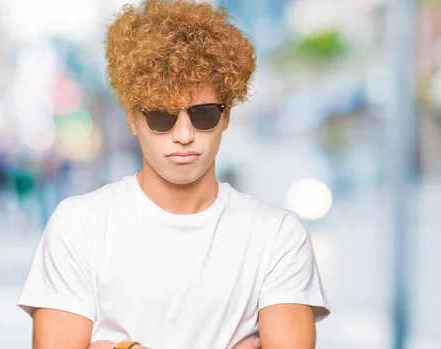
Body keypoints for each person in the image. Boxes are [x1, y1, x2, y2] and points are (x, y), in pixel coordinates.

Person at [17, 1, 330, 349]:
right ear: (132, 119)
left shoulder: (278, 237)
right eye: (161, 116)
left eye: (204, 114)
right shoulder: (79, 226)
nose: (184, 134)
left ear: (226, 116)